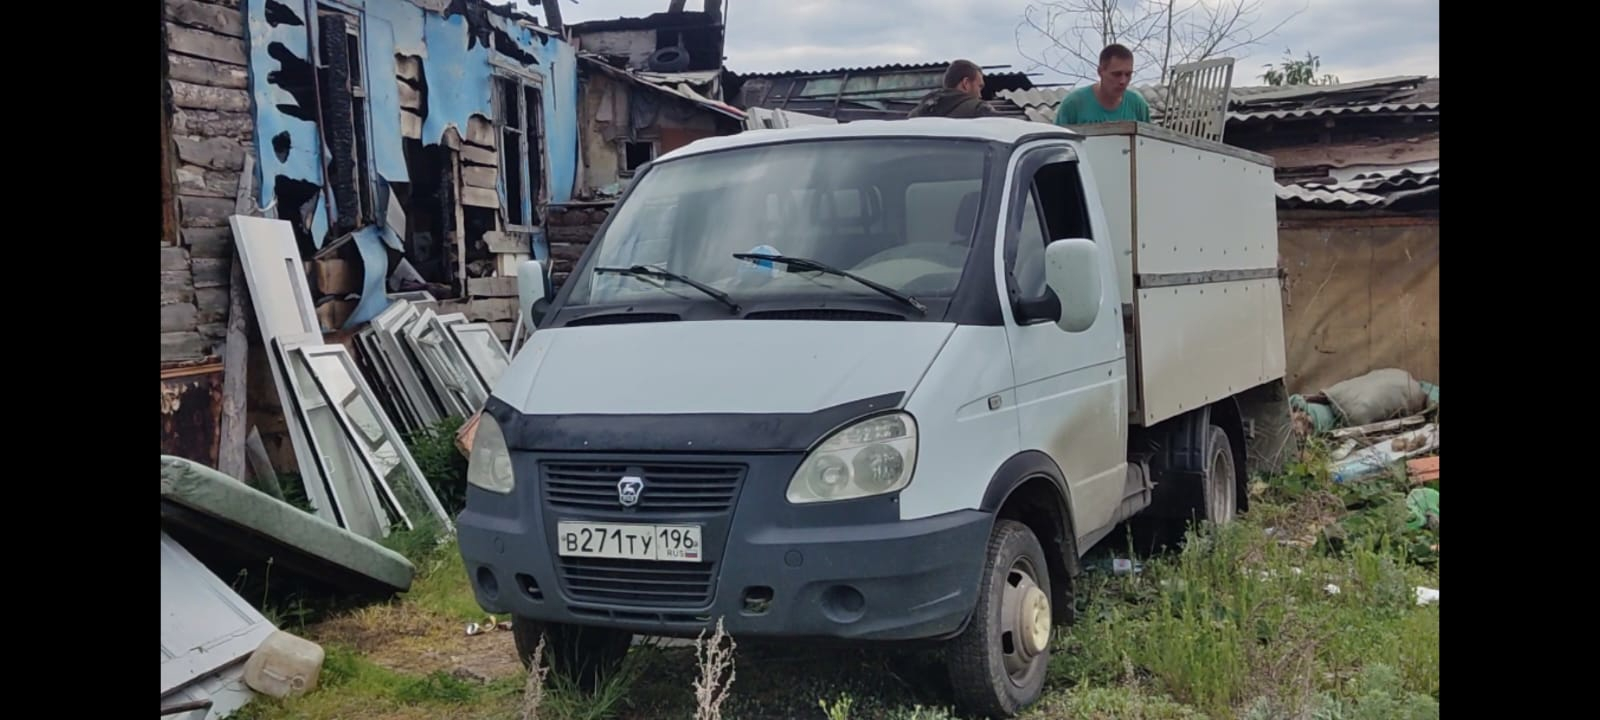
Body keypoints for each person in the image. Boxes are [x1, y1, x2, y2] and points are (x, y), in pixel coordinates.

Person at [1054, 44, 1151, 126]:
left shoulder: (1138, 106)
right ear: (1100, 72)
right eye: (1117, 74)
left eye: (1128, 74)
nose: (1123, 81)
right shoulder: (1073, 104)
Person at [908, 60, 995, 118]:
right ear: (966, 83)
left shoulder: (915, 115)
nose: (980, 95)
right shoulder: (979, 110)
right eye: (979, 87)